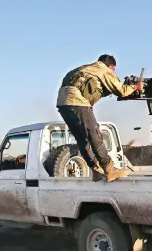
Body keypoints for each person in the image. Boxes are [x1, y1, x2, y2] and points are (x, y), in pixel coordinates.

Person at [56, 54, 143, 182]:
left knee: (82, 139)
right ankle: (110, 170)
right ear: (111, 66)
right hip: (77, 102)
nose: (113, 72)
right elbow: (121, 90)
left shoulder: (85, 68)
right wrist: (136, 87)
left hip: (63, 104)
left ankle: (96, 170)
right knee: (94, 135)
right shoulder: (103, 70)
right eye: (114, 70)